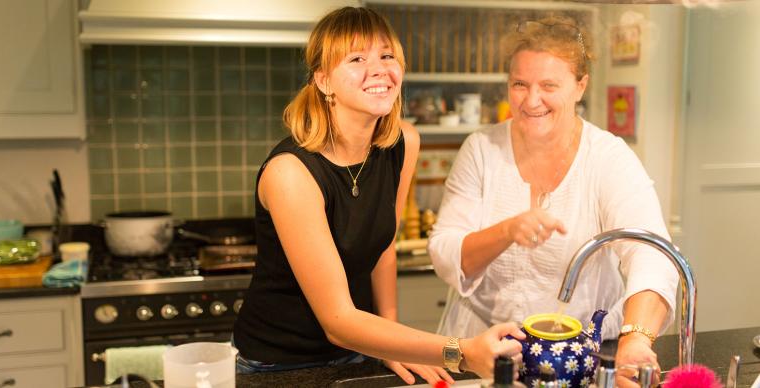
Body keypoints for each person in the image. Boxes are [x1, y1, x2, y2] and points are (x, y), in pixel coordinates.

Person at [231, 6, 524, 385]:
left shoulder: (404, 144)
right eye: (356, 59)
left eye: (387, 56)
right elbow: (338, 321)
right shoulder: (291, 173)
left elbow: (383, 246)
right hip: (278, 364)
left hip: (360, 347)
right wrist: (461, 352)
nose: (379, 70)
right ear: (323, 80)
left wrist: (391, 341)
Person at [427, 15, 679, 388]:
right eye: (519, 84)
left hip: (579, 358)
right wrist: (507, 231)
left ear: (580, 86)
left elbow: (652, 254)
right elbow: (445, 251)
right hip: (484, 355)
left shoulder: (608, 158)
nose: (531, 100)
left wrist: (637, 338)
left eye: (548, 85)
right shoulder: (481, 149)